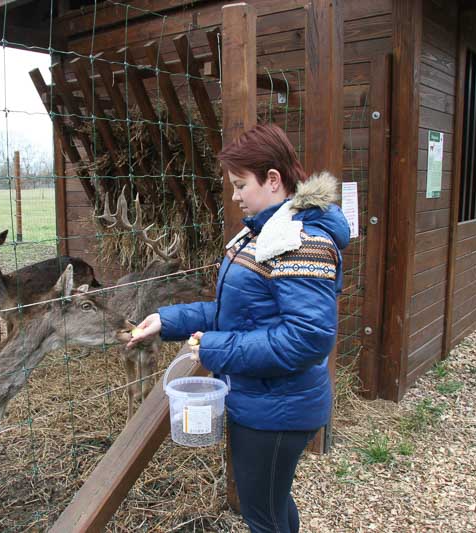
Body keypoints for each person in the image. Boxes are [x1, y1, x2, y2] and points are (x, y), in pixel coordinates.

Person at [127, 123, 350, 533]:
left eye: (240, 184)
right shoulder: (266, 232)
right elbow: (239, 314)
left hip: (277, 409)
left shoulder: (300, 242)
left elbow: (307, 339)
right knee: (272, 504)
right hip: (263, 399)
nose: (234, 196)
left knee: (262, 514)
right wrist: (168, 320)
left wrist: (215, 348)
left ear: (273, 179)